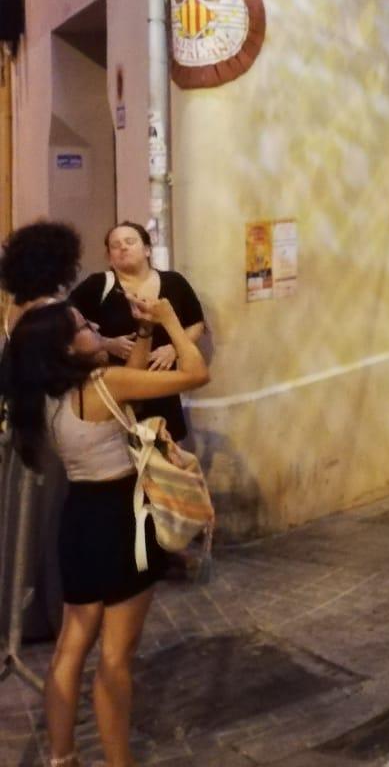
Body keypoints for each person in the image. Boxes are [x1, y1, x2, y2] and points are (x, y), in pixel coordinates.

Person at [0, 220, 209, 767]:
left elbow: (126, 388)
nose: (93, 326)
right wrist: (169, 321)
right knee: (116, 658)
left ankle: (62, 757)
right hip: (122, 519)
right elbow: (196, 374)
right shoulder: (103, 384)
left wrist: (141, 334)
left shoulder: (48, 393)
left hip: (79, 518)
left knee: (72, 645)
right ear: (69, 346)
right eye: (83, 326)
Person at [68, 222, 206, 442]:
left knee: (165, 451)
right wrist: (105, 342)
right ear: (109, 256)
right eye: (115, 245)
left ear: (147, 249)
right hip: (116, 390)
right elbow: (67, 326)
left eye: (130, 242)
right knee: (124, 451)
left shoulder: (174, 282)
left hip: (163, 386)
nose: (123, 247)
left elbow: (196, 322)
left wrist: (174, 349)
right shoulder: (98, 285)